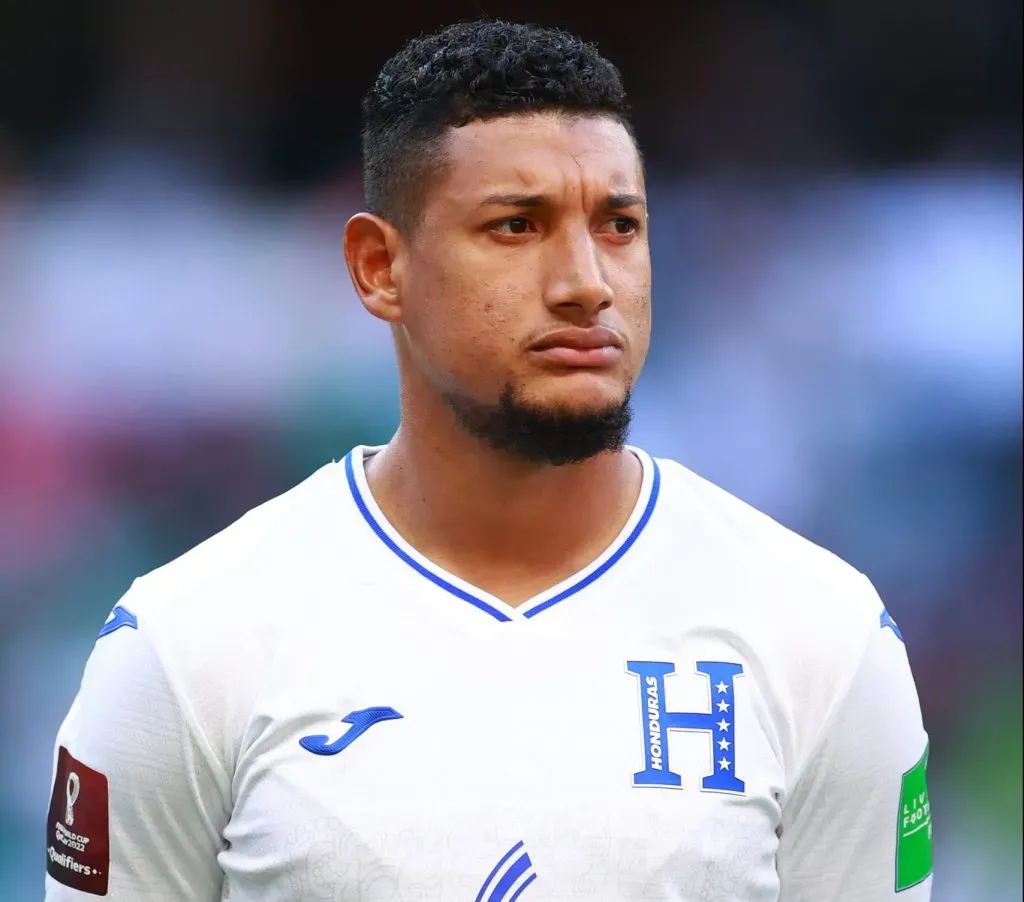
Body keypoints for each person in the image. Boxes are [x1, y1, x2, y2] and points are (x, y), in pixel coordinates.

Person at [44, 19, 932, 901]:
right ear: (378, 268)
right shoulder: (188, 640)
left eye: (619, 224)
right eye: (517, 225)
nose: (587, 282)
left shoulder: (824, 634)